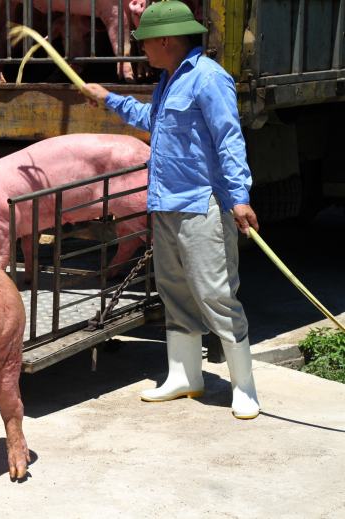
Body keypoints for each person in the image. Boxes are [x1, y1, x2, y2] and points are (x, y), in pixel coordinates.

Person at [83, 0, 260, 419]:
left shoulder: (209, 79)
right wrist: (109, 98)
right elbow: (154, 118)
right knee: (174, 293)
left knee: (216, 294)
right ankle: (185, 376)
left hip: (203, 204)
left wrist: (239, 196)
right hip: (165, 203)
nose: (141, 49)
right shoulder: (168, 80)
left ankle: (245, 387)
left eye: (144, 41)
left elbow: (229, 140)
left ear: (166, 40)